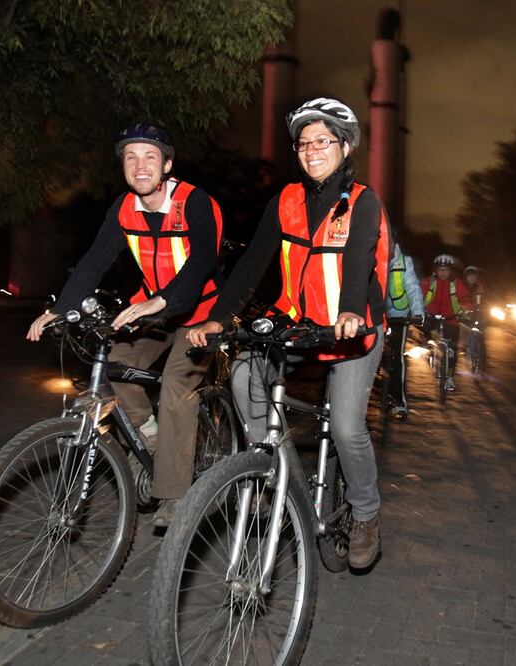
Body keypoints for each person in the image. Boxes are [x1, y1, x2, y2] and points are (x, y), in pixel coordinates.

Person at [187, 97, 390, 570]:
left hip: (352, 328)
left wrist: (349, 311)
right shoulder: (286, 200)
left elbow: (360, 257)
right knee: (243, 374)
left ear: (344, 146)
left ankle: (365, 514)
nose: (311, 149)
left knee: (345, 426)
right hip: (297, 320)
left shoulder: (363, 201)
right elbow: (254, 261)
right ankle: (272, 470)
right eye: (303, 142)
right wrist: (219, 316)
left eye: (323, 140)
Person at [26, 123, 224, 527]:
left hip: (198, 310)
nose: (139, 165)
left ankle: (173, 495)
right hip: (152, 309)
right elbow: (94, 261)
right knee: (111, 364)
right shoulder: (123, 207)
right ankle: (148, 433)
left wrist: (165, 298)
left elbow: (205, 259)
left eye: (150, 156)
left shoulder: (195, 202)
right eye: (130, 157)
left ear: (167, 164)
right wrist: (60, 308)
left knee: (176, 385)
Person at [421, 254, 473, 391]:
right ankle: (430, 348)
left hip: (451, 319)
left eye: (446, 270)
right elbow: (420, 294)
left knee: (452, 351)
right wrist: (418, 309)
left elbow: (465, 298)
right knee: (428, 336)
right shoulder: (430, 281)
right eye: (440, 269)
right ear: (435, 270)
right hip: (432, 317)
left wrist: (467, 309)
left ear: (451, 271)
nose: (443, 273)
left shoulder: (456, 283)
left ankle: (450, 378)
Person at [386, 243, 425, 420]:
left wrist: (417, 312)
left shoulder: (404, 261)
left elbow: (412, 287)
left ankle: (399, 402)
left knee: (397, 357)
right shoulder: (372, 254)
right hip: (376, 315)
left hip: (398, 315)